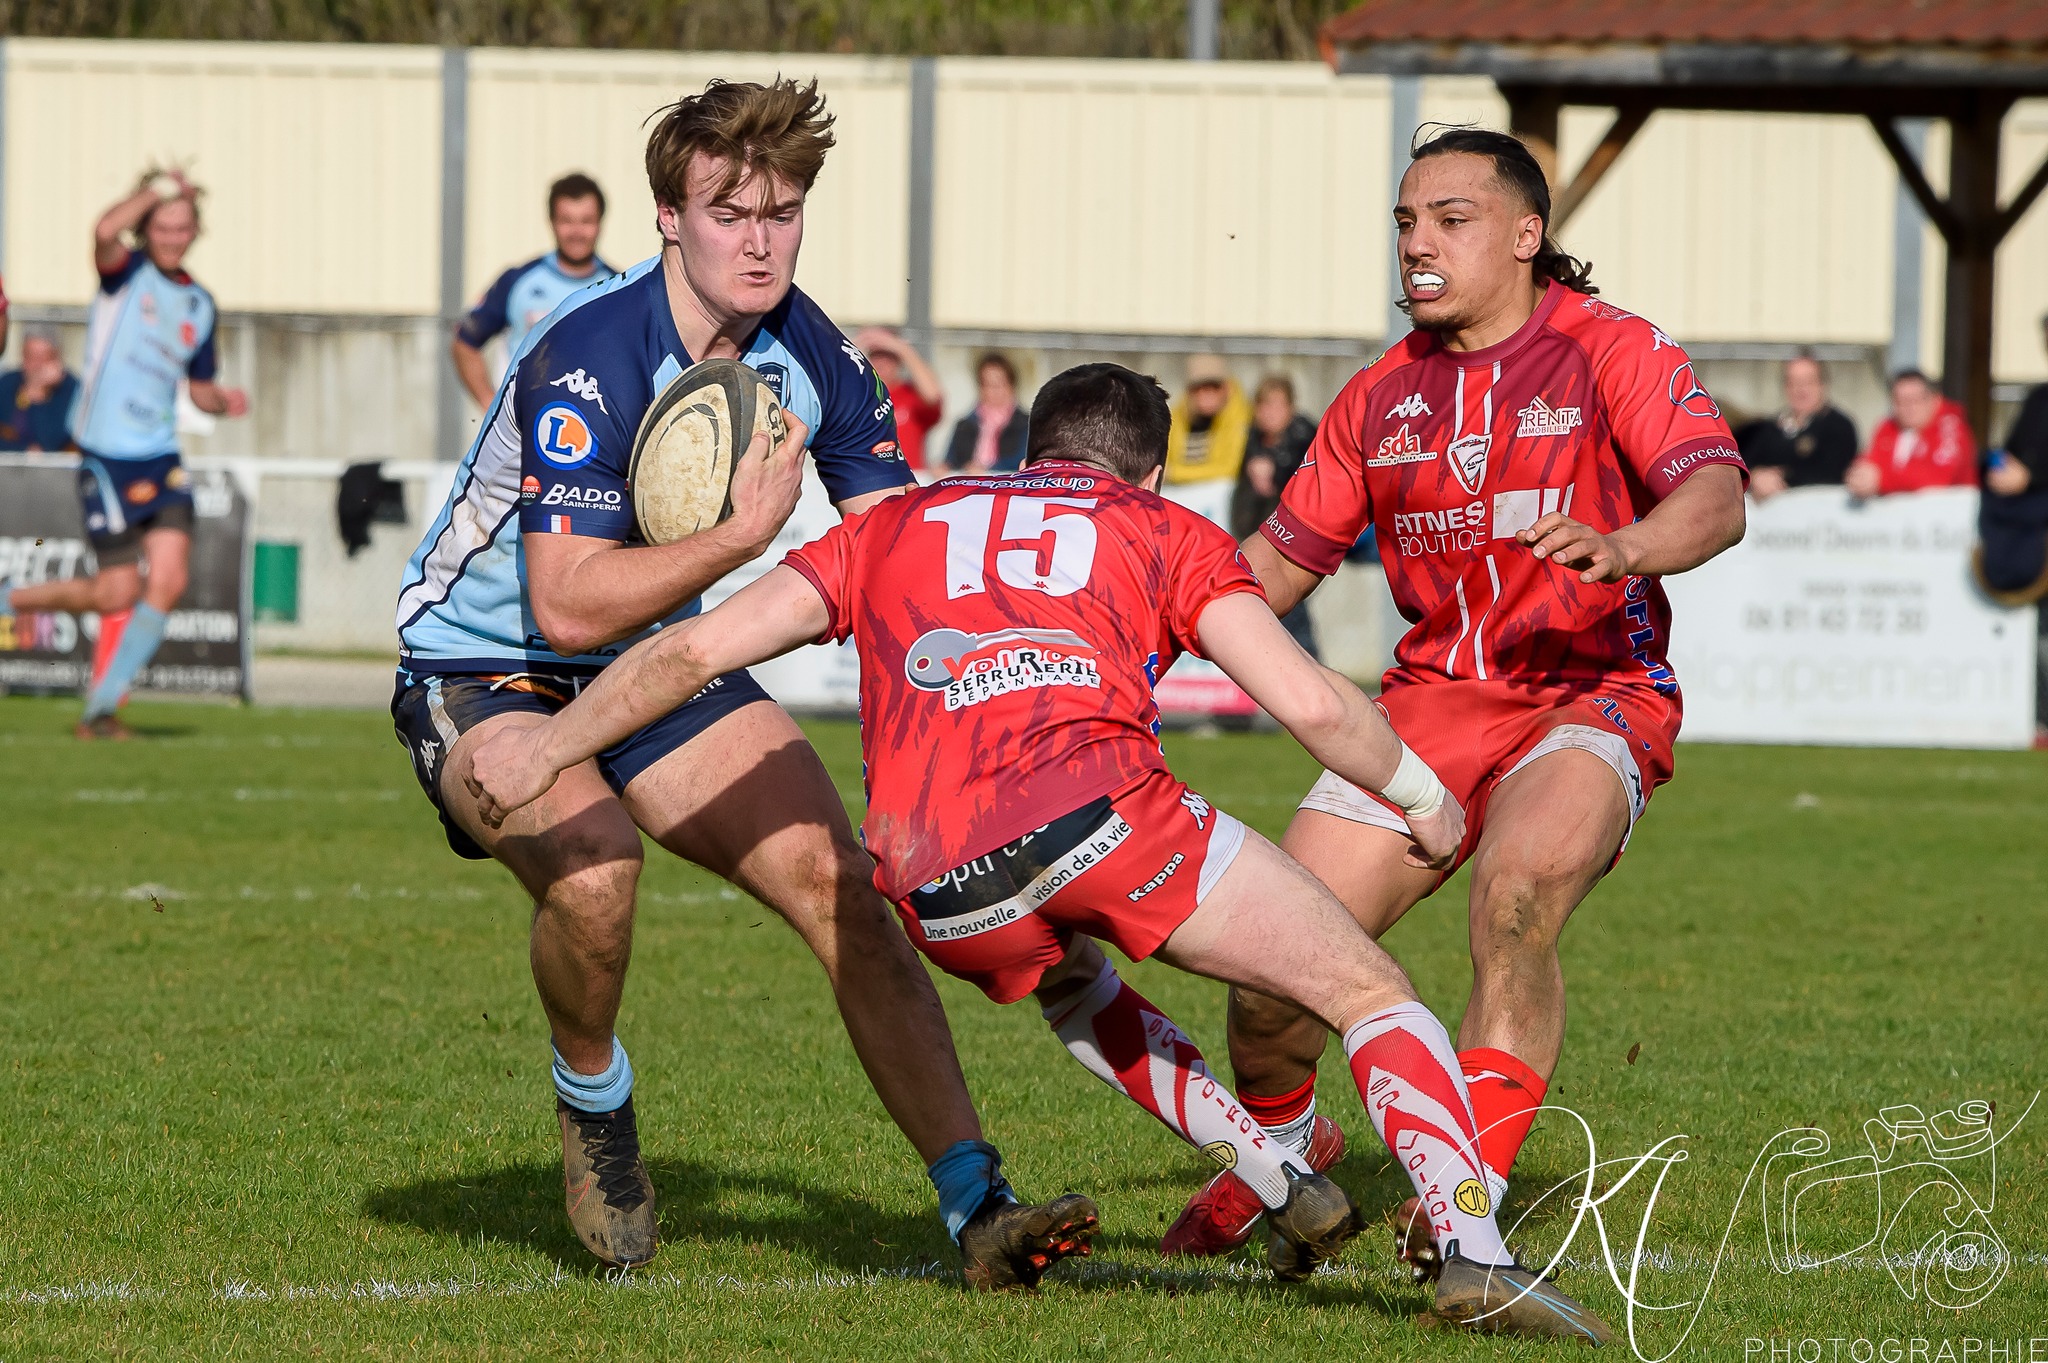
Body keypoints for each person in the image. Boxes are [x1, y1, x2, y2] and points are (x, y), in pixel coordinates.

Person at [467, 363, 1617, 1342]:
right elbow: (1310, 705)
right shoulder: (1161, 527)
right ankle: (1472, 1249)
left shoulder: (891, 523)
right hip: (1099, 818)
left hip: (927, 882)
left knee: (1075, 988)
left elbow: (688, 654)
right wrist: (1421, 799)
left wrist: (548, 748)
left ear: (1027, 452)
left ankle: (1278, 1179)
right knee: (1366, 990)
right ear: (1150, 472)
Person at [391, 79, 1090, 1287]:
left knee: (844, 884)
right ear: (669, 216)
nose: (760, 240)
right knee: (599, 874)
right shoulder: (590, 354)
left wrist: (999, 730)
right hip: (482, 663)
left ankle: (977, 1203)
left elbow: (901, 552)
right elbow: (561, 601)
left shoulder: (812, 348)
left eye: (782, 212)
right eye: (730, 213)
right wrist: (740, 541)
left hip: (657, 654)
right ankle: (592, 1099)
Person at [1166, 126, 1748, 1275]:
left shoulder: (1609, 350)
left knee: (1517, 894)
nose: (1416, 244)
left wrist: (1625, 542)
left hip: (1588, 694)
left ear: (1525, 236)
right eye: (1403, 221)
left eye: (1449, 219)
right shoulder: (1381, 393)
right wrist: (1120, 617)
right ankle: (1288, 1162)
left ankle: (1458, 1205)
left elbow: (1716, 497)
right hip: (1430, 709)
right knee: (1265, 970)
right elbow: (1271, 571)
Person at [0, 168, 249, 740]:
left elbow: (200, 387)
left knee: (166, 579)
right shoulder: (125, 275)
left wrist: (222, 399)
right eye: (162, 226)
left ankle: (100, 710)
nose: (172, 237)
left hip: (160, 455)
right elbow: (103, 229)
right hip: (105, 454)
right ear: (147, 227)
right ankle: (10, 600)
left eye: (182, 227)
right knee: (116, 590)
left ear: (194, 232)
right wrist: (156, 190)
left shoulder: (199, 303)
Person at [451, 173, 614, 409]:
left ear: (600, 223)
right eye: (566, 221)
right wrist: (491, 406)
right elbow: (464, 343)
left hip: (593, 432)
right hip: (522, 433)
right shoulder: (518, 281)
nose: (576, 232)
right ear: (552, 222)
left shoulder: (618, 287)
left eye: (586, 221)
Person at [1229, 374, 1320, 657]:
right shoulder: (1251, 440)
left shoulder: (1303, 439)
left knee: (1291, 615)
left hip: (1296, 542)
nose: (1270, 413)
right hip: (1259, 539)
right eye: (1265, 405)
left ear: (1290, 408)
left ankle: (1310, 673)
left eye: (1277, 405)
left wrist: (1276, 473)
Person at [1735, 352, 1859, 500]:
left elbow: (1829, 472)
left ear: (1822, 384)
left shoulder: (1839, 426)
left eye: (1807, 382)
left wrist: (1781, 477)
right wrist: (1755, 476)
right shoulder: (1769, 428)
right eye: (1793, 382)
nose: (1800, 389)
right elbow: (1743, 462)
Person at [1846, 370, 1976, 498]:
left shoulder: (1951, 427)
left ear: (1934, 399)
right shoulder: (1888, 426)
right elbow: (1870, 460)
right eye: (1899, 401)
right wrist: (1860, 476)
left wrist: (1881, 480)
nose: (1907, 408)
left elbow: (1936, 477)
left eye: (1914, 400)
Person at [1163, 353, 1251, 526]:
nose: (1207, 395)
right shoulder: (1179, 415)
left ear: (1226, 389)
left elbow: (1228, 470)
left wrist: (1175, 474)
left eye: (1214, 388)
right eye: (1200, 388)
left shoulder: (1237, 416)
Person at [855, 327, 943, 471]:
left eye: (888, 356)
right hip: (866, 478)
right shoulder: (859, 393)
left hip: (907, 481)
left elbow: (933, 396)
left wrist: (902, 348)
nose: (881, 362)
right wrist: (851, 348)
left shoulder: (910, 394)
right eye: (876, 355)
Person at [943, 352, 1027, 472]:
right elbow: (951, 460)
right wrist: (943, 467)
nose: (994, 391)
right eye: (988, 384)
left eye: (999, 384)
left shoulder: (1026, 425)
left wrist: (987, 470)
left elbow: (1022, 461)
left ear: (1011, 385)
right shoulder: (964, 425)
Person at [0, 328, 79, 451]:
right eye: (30, 357)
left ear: (57, 359)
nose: (36, 365)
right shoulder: (7, 384)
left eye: (43, 358)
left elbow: (52, 443)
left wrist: (39, 395)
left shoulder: (71, 389)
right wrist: (24, 450)